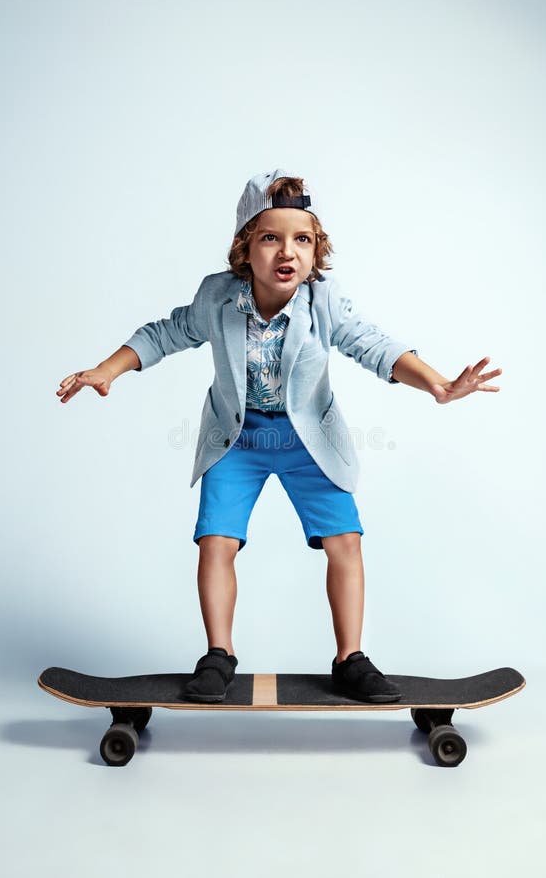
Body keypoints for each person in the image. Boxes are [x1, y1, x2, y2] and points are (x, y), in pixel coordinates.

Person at [56, 169, 501, 705]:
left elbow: (373, 345)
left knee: (345, 542)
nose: (286, 251)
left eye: (302, 239)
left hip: (308, 440)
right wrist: (108, 369)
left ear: (316, 252)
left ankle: (350, 660)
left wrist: (439, 384)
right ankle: (218, 656)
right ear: (246, 250)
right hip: (236, 437)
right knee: (216, 540)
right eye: (271, 237)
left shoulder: (324, 302)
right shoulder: (216, 298)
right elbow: (167, 332)